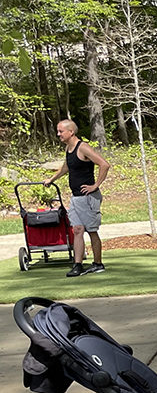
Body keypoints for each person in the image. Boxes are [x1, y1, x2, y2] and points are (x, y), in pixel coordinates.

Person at [46, 119, 110, 277]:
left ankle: (98, 264)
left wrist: (95, 185)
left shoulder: (83, 147)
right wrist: (51, 180)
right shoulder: (69, 148)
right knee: (77, 230)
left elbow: (104, 164)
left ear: (71, 132)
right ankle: (78, 265)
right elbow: (66, 167)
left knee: (91, 231)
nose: (58, 134)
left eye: (61, 131)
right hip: (76, 197)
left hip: (88, 197)